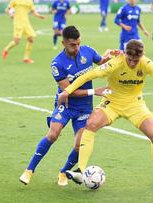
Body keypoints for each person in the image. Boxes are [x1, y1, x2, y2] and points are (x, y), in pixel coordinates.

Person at [58, 39, 153, 187]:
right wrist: (67, 91)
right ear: (125, 54)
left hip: (135, 104)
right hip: (112, 102)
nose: (132, 63)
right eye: (129, 59)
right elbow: (88, 76)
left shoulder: (146, 63)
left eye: (135, 60)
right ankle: (80, 170)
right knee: (91, 124)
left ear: (141, 56)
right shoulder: (115, 63)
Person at [19, 26, 120, 186]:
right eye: (73, 44)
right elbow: (69, 91)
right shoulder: (57, 63)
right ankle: (29, 170)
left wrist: (109, 56)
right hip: (65, 105)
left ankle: (64, 172)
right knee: (52, 135)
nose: (77, 47)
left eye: (79, 43)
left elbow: (100, 61)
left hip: (84, 108)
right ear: (64, 43)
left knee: (80, 145)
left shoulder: (87, 51)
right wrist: (95, 91)